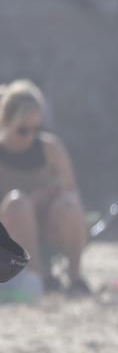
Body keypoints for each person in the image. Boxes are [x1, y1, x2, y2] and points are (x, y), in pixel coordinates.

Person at [0, 81, 90, 298]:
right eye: (23, 130)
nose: (30, 136)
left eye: (36, 129)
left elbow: (72, 192)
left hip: (50, 226)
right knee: (17, 204)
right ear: (6, 121)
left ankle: (75, 276)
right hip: (12, 234)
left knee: (68, 205)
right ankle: (37, 277)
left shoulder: (51, 149)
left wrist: (53, 195)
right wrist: (29, 201)